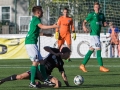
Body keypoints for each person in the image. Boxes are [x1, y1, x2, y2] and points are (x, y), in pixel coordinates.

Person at [0, 46, 71, 88]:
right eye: (69, 54)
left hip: (45, 75)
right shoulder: (56, 50)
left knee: (58, 84)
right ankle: (2, 80)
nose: (69, 56)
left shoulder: (61, 62)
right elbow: (45, 48)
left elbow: (63, 74)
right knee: (20, 77)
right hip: (38, 70)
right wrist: (55, 53)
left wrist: (68, 85)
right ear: (65, 53)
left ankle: (39, 85)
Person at [25, 6, 59, 88]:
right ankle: (32, 83)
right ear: (38, 12)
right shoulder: (36, 19)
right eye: (41, 11)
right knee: (35, 62)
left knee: (41, 61)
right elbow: (42, 26)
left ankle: (46, 80)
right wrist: (53, 26)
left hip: (32, 43)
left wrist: (45, 34)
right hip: (31, 43)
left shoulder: (34, 20)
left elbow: (36, 32)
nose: (43, 13)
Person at [80, 2, 109, 72]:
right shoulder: (91, 15)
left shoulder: (101, 15)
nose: (97, 8)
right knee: (98, 49)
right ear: (94, 8)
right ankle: (101, 66)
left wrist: (106, 24)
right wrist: (84, 27)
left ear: (100, 8)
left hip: (97, 35)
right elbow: (84, 22)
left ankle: (82, 65)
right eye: (96, 7)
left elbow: (104, 23)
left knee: (91, 49)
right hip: (93, 35)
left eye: (98, 7)